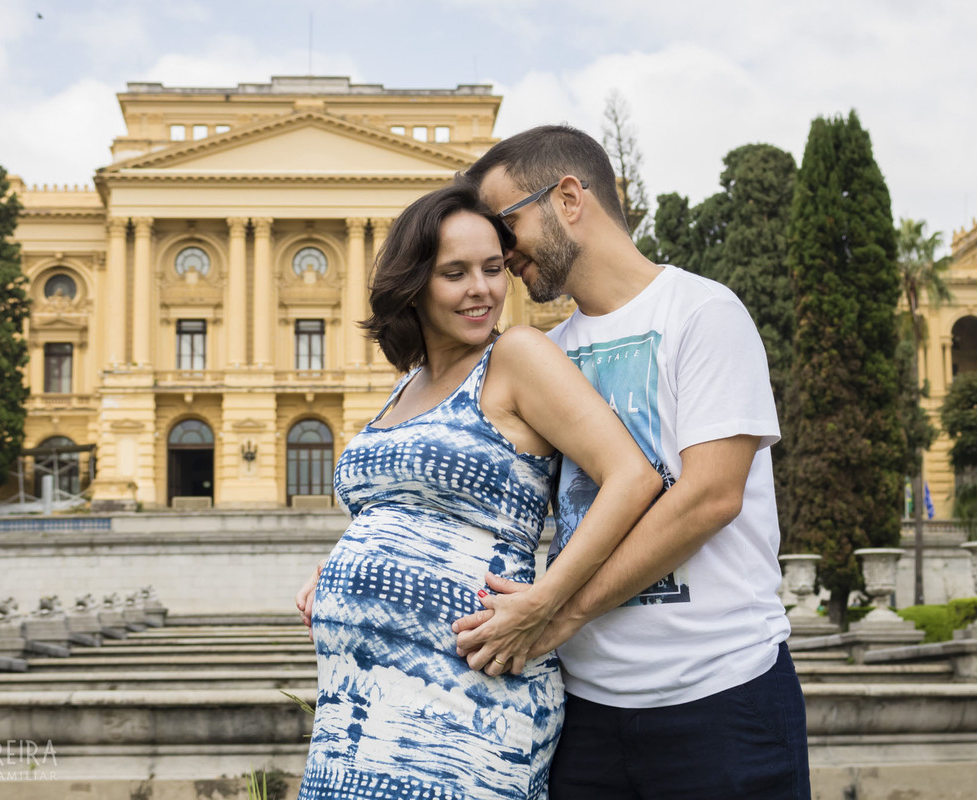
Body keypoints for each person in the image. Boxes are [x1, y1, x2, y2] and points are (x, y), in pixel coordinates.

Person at [450, 124, 810, 799]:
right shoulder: (544, 355)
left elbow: (709, 497)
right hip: (585, 714)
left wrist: (560, 608)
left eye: (505, 225)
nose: (501, 253)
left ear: (567, 197)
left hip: (721, 699)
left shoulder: (703, 312)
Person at [295, 183, 662, 800]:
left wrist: (547, 600)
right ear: (413, 284)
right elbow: (407, 508)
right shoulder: (406, 385)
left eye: (493, 269)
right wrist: (338, 567)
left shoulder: (516, 356)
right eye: (455, 273)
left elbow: (633, 477)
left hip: (466, 702)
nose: (482, 290)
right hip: (357, 710)